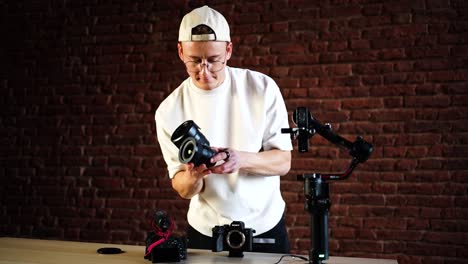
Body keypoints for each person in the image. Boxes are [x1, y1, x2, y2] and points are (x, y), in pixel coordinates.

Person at [155, 5, 293, 253]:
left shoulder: (261, 88)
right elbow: (183, 189)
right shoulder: (169, 110)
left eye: (214, 60)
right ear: (180, 51)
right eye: (194, 61)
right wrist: (194, 176)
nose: (204, 71)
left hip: (264, 226)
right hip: (205, 231)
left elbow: (283, 162)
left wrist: (239, 159)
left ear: (228, 50)